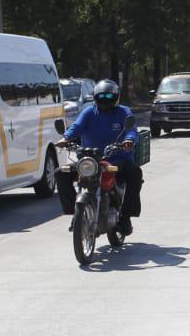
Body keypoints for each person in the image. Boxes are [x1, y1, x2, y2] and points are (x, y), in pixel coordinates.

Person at [61, 79, 142, 235]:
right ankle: (76, 213)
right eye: (102, 96)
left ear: (116, 97)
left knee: (135, 174)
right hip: (91, 159)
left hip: (117, 159)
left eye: (109, 96)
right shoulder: (89, 112)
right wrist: (66, 138)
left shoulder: (123, 112)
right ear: (96, 97)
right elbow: (76, 127)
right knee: (61, 173)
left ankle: (125, 216)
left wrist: (129, 140)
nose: (105, 99)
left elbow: (131, 130)